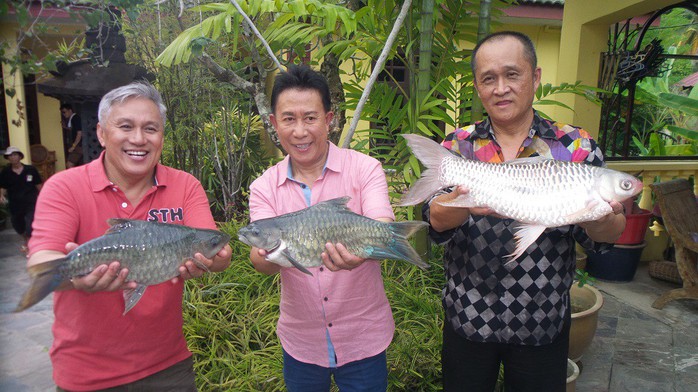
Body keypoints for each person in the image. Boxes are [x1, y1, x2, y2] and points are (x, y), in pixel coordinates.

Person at [424, 31, 627, 392]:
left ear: (535, 77)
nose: (500, 88)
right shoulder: (458, 146)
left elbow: (607, 237)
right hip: (469, 317)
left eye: (512, 74)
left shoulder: (575, 146)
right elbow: (435, 220)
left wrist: (601, 218)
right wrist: (462, 203)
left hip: (541, 319)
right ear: (477, 86)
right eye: (489, 78)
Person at [28, 82, 232, 391]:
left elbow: (214, 247)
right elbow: (41, 259)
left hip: (169, 366)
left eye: (150, 129)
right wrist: (71, 275)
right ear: (101, 133)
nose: (138, 139)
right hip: (86, 373)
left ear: (161, 136)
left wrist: (215, 261)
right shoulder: (64, 187)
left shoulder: (185, 185)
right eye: (125, 126)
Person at [248, 65, 395, 391]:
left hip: (363, 338)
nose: (300, 131)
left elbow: (382, 223)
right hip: (302, 342)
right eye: (288, 119)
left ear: (329, 119)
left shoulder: (365, 169)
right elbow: (258, 259)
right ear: (274, 123)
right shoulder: (263, 187)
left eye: (310, 118)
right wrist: (267, 254)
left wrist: (365, 250)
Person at [0, 146, 42, 252]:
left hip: (30, 201)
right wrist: (1, 196)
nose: (13, 157)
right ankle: (26, 240)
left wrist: (43, 196)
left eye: (15, 155)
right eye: (10, 156)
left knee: (30, 223)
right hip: (15, 203)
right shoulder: (6, 172)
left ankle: (29, 245)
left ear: (19, 156)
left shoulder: (30, 170)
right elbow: (3, 187)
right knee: (17, 224)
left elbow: (38, 185)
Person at [60, 103, 83, 168]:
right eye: (62, 113)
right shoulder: (73, 118)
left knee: (70, 164)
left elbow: (79, 132)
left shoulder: (75, 118)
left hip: (79, 145)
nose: (63, 114)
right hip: (79, 145)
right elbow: (73, 129)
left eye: (64, 112)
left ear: (70, 110)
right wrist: (65, 127)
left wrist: (73, 146)